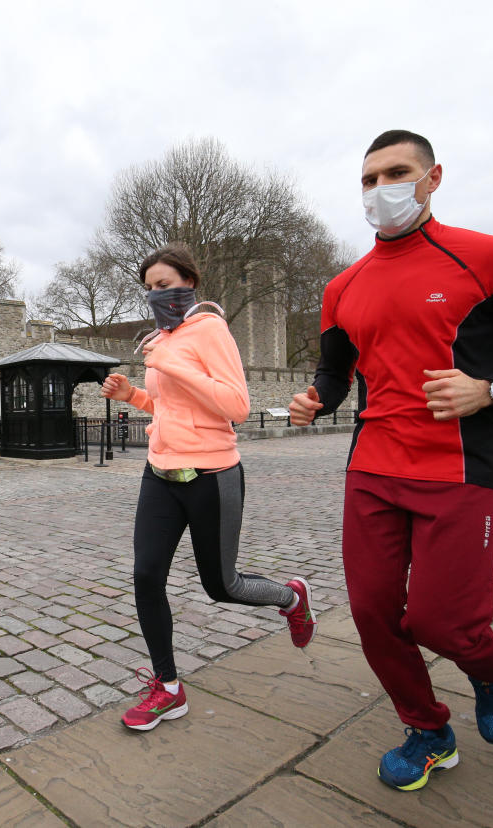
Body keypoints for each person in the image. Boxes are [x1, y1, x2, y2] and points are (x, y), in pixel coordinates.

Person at [289, 130, 493, 791]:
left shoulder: (489, 256)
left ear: (433, 178)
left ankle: (491, 671)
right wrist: (319, 396)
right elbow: (335, 369)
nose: (379, 189)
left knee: (438, 620)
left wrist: (492, 390)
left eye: (395, 173)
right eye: (368, 179)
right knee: (372, 612)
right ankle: (428, 731)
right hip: (372, 469)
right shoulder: (343, 286)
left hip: (460, 469)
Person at [102, 243, 316, 733]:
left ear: (189, 283)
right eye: (150, 288)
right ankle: (168, 687)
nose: (157, 295)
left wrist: (173, 364)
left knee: (222, 586)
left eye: (165, 285)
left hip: (212, 475)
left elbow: (235, 406)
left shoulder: (210, 329)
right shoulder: (160, 337)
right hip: (160, 473)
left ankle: (290, 598)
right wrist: (132, 394)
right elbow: (170, 408)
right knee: (145, 577)